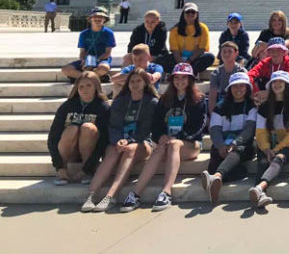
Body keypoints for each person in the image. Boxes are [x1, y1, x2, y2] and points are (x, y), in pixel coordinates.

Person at [122, 62, 206, 211]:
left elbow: (200, 127)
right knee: (161, 148)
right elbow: (156, 124)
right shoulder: (164, 99)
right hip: (166, 143)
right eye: (177, 78)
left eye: (184, 78)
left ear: (190, 80)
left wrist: (179, 137)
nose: (180, 81)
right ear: (172, 80)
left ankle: (166, 192)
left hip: (190, 143)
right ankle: (135, 194)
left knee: (174, 144)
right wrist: (160, 136)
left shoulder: (199, 100)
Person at [81, 68, 158, 212]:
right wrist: (118, 140)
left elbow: (145, 129)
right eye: (132, 81)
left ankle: (111, 196)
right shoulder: (120, 100)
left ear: (145, 83)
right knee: (112, 151)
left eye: (138, 81)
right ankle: (91, 195)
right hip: (120, 140)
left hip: (142, 142)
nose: (135, 84)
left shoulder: (151, 102)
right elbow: (113, 125)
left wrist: (129, 141)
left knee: (130, 149)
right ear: (127, 84)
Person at [249, 70, 289, 209]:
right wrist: (267, 148)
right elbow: (260, 132)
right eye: (275, 82)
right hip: (268, 146)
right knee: (263, 161)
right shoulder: (264, 106)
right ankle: (261, 195)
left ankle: (260, 188)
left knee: (278, 158)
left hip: (288, 146)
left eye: (281, 82)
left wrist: (275, 149)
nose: (277, 84)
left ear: (287, 85)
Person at [200, 71, 257, 203]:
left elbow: (249, 130)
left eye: (242, 86)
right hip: (223, 144)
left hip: (244, 145)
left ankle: (217, 176)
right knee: (215, 163)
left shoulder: (252, 105)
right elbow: (214, 129)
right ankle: (216, 181)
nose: (238, 89)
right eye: (235, 86)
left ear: (247, 88)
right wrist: (220, 145)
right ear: (229, 88)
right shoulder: (220, 107)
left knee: (235, 152)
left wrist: (235, 143)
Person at [48, 71, 109, 185]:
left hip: (89, 151)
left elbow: (103, 140)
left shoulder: (103, 108)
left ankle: (88, 172)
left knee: (88, 127)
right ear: (77, 88)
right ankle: (63, 172)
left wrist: (88, 166)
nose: (84, 89)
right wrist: (58, 166)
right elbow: (53, 137)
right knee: (72, 129)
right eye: (81, 86)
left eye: (89, 85)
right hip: (70, 151)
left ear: (96, 86)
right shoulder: (67, 106)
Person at [159, 3, 215, 76]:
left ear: (197, 14)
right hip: (178, 58)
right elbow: (174, 50)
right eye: (188, 12)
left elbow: (202, 48)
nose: (190, 14)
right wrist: (181, 63)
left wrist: (189, 61)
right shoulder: (175, 30)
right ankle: (182, 70)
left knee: (210, 57)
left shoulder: (203, 28)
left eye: (193, 12)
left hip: (194, 59)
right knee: (160, 60)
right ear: (183, 14)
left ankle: (189, 72)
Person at [61, 7, 115, 82]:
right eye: (95, 17)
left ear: (104, 20)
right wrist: (85, 60)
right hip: (87, 59)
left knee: (104, 68)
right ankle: (94, 77)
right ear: (90, 19)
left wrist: (94, 61)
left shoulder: (109, 33)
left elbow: (107, 53)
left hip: (101, 59)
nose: (97, 19)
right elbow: (82, 52)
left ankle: (81, 77)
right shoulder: (84, 34)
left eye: (100, 17)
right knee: (65, 69)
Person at [248, 37, 289, 104]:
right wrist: (256, 92)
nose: (275, 53)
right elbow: (250, 75)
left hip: (284, 94)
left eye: (278, 50)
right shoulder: (265, 62)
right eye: (272, 50)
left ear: (284, 52)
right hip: (265, 96)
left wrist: (270, 92)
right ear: (268, 52)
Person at [207, 41, 247, 114]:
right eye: (224, 52)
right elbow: (212, 96)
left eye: (230, 51)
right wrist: (212, 116)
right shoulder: (216, 73)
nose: (226, 54)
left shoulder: (242, 71)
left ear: (236, 53)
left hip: (238, 101)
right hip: (222, 102)